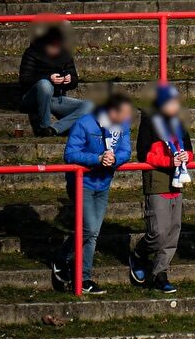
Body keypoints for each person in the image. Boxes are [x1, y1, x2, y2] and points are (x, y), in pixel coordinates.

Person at [52, 93, 134, 295]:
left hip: (103, 184)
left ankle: (76, 271)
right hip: (82, 183)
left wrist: (113, 159)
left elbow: (126, 150)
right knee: (88, 229)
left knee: (93, 232)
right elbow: (70, 154)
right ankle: (72, 266)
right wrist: (97, 158)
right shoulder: (85, 123)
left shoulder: (121, 125)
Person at [128, 84, 192, 294]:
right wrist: (169, 160)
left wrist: (185, 158)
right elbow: (143, 154)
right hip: (157, 181)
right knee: (158, 231)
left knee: (173, 231)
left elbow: (189, 150)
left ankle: (160, 273)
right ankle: (138, 254)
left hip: (177, 180)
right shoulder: (149, 120)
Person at [18, 26, 92, 136]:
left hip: (55, 98)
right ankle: (44, 125)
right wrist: (49, 78)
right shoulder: (32, 52)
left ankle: (52, 129)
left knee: (89, 106)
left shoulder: (65, 54)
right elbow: (24, 79)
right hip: (32, 97)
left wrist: (69, 79)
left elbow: (74, 80)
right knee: (45, 85)